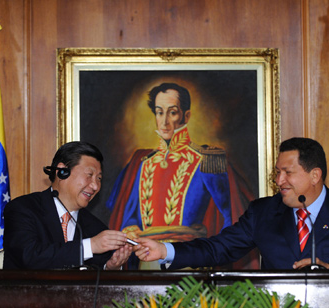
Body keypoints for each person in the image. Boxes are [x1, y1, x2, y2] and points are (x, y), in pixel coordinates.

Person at [134, 137, 329, 270]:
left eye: (287, 172)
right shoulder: (263, 212)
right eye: (276, 172)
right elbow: (218, 249)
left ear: (315, 175)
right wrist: (165, 251)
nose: (279, 180)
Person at [106, 82, 256, 269]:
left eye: (173, 112)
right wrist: (131, 229)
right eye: (160, 112)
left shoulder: (207, 159)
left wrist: (218, 262)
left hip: (191, 260)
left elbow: (230, 218)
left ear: (186, 116)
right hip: (146, 262)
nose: (165, 121)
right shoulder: (143, 162)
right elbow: (130, 216)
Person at [3, 141, 133, 269]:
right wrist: (88, 247)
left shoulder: (96, 228)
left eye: (99, 179)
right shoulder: (23, 209)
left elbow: (100, 275)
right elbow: (29, 256)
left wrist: (110, 267)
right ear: (62, 171)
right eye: (89, 175)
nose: (95, 186)